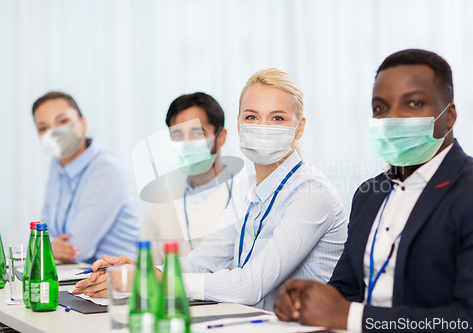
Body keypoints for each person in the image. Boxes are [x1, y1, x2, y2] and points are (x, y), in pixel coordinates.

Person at [73, 68, 348, 311]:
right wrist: (142, 272)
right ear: (239, 126)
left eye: (276, 118)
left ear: (299, 128)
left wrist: (156, 281)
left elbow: (252, 285)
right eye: (252, 117)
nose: (262, 127)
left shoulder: (311, 193)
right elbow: (200, 262)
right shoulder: (247, 190)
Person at [273, 49, 473, 332]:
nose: (393, 118)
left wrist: (351, 317)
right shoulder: (369, 194)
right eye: (381, 108)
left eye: (414, 103)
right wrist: (305, 302)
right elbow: (346, 289)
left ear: (449, 116)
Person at [33, 91, 140, 263]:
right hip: (75, 276)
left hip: (116, 281)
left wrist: (46, 246)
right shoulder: (56, 166)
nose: (53, 132)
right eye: (43, 128)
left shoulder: (106, 168)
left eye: (62, 121)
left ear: (82, 124)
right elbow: (42, 232)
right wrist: (49, 245)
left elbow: (77, 249)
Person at [141, 92, 236, 264]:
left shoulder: (245, 196)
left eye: (197, 134)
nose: (186, 143)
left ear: (220, 137)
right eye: (177, 135)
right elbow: (148, 266)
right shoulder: (162, 200)